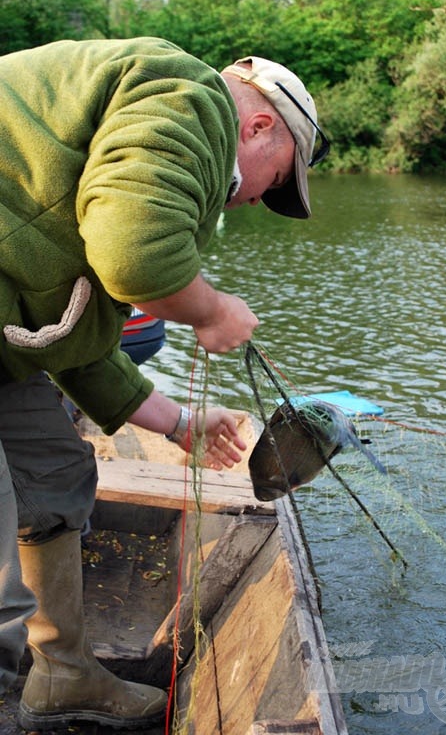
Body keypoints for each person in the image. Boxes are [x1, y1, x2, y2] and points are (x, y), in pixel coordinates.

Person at [0, 37, 329, 730]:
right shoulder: (189, 97)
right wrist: (211, 310)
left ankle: (61, 677)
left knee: (53, 472)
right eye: (276, 180)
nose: (255, 201)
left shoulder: (145, 145)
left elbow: (72, 333)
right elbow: (132, 253)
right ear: (259, 126)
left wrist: (179, 423)